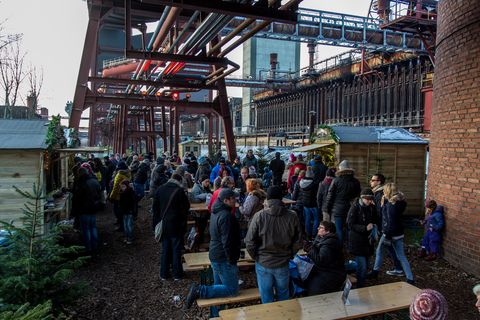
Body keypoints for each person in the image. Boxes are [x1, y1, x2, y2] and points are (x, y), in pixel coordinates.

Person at [184, 189, 241, 316]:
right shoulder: (226, 216)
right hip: (223, 257)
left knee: (218, 287)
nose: (235, 200)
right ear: (226, 200)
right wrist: (231, 258)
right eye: (233, 198)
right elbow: (228, 241)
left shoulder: (216, 211)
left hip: (215, 253)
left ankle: (216, 315)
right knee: (232, 290)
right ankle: (200, 290)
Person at [245, 186, 302, 304]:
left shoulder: (259, 216)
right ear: (281, 198)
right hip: (282, 261)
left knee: (266, 297)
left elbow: (249, 241)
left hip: (264, 262)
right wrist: (290, 254)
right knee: (283, 294)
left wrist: (256, 257)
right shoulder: (292, 216)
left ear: (267, 198)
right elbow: (299, 240)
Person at [368, 183, 415, 284]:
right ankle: (410, 279)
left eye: (384, 191)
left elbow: (390, 222)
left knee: (379, 251)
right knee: (401, 256)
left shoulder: (391, 205)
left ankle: (375, 272)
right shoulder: (400, 202)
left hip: (389, 233)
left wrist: (387, 237)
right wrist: (384, 203)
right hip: (399, 233)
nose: (383, 192)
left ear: (388, 192)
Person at [152, 173, 190, 280]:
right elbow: (185, 208)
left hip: (164, 224)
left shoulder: (160, 189)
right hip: (176, 225)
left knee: (165, 249)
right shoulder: (179, 191)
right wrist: (184, 225)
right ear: (179, 181)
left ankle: (164, 274)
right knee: (176, 249)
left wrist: (155, 225)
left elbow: (155, 209)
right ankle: (177, 274)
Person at [370, 173, 403, 276]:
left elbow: (382, 212)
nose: (370, 181)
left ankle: (375, 272)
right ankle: (399, 268)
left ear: (379, 182)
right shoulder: (377, 193)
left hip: (384, 227)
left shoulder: (380, 194)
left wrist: (381, 227)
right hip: (386, 227)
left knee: (382, 249)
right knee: (390, 249)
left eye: (373, 180)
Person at [304, 221, 346, 296]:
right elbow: (314, 248)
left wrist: (310, 249)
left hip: (332, 273)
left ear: (328, 231)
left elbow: (320, 261)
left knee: (313, 290)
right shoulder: (321, 237)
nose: (318, 228)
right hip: (324, 270)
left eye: (321, 227)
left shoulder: (330, 243)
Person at [346, 188, 377, 288]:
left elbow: (376, 219)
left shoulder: (372, 207)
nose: (369, 201)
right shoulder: (355, 207)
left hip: (368, 241)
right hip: (357, 241)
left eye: (370, 199)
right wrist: (364, 228)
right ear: (362, 198)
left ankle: (359, 278)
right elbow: (350, 224)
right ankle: (360, 287)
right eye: (367, 199)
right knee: (362, 266)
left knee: (365, 265)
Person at [325, 160, 361, 243]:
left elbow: (330, 195)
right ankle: (350, 246)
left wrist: (327, 208)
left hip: (338, 209)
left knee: (339, 229)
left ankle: (340, 248)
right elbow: (358, 195)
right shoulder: (356, 181)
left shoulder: (336, 181)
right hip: (351, 208)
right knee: (349, 228)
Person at [72, 167, 101, 253]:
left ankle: (89, 248)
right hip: (93, 208)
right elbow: (98, 193)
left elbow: (77, 198)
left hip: (83, 210)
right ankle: (95, 246)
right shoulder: (94, 181)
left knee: (86, 229)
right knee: (93, 227)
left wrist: (75, 210)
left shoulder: (81, 183)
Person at [293, 167, 319, 240]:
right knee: (316, 218)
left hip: (305, 203)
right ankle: (314, 235)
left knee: (307, 218)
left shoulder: (301, 182)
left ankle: (308, 235)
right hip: (313, 203)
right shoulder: (314, 183)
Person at [109, 162, 131, 231]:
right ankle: (121, 223)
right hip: (126, 195)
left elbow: (115, 187)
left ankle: (121, 225)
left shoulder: (119, 175)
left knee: (117, 210)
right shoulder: (128, 173)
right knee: (123, 210)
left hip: (118, 196)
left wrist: (111, 197)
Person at [119, 180, 136, 244]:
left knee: (129, 225)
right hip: (124, 211)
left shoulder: (130, 193)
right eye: (121, 187)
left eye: (124, 186)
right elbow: (120, 203)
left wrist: (132, 211)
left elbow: (133, 203)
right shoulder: (121, 193)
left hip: (129, 211)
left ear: (127, 186)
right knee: (125, 225)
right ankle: (126, 237)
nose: (122, 188)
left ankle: (130, 238)